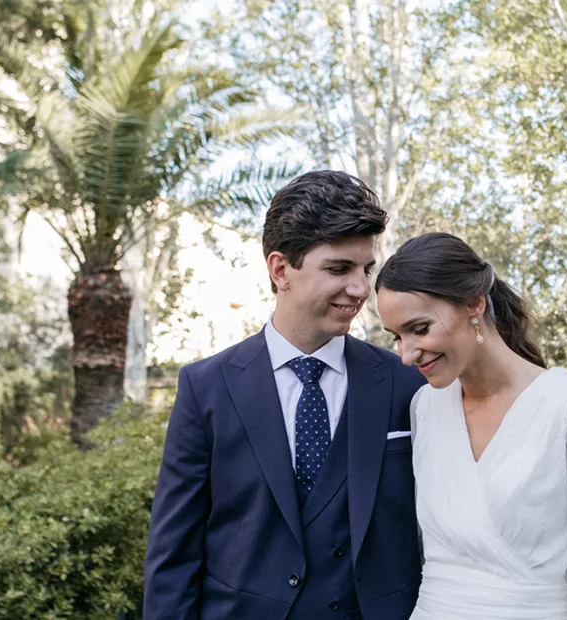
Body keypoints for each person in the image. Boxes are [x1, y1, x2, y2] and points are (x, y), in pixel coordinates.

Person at [144, 171, 426, 620]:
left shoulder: (407, 382)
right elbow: (173, 555)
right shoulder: (206, 387)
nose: (359, 289)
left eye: (365, 270)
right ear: (280, 270)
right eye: (339, 269)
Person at [375, 232, 567, 620]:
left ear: (474, 303)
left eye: (419, 329)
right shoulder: (424, 408)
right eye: (397, 337)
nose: (406, 354)